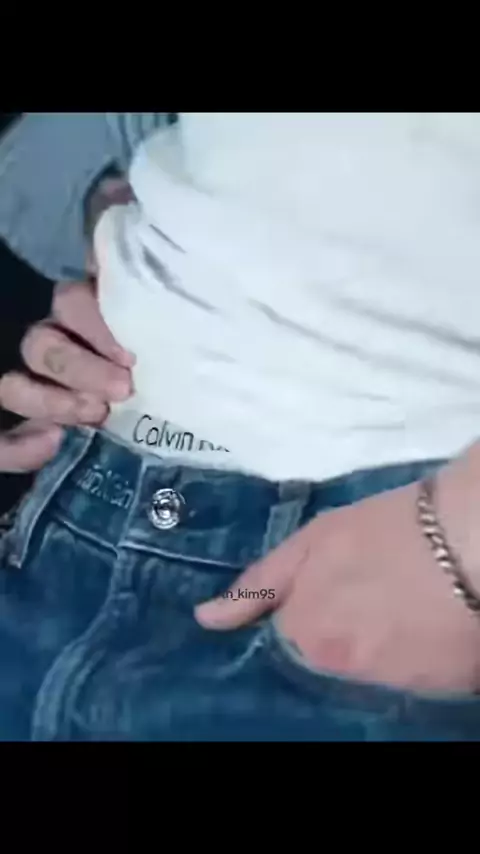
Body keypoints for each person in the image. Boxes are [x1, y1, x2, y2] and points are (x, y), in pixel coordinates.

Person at [1, 113, 480, 741]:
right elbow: (44, 157)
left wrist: (459, 543)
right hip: (78, 517)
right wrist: (123, 220)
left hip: (386, 570)